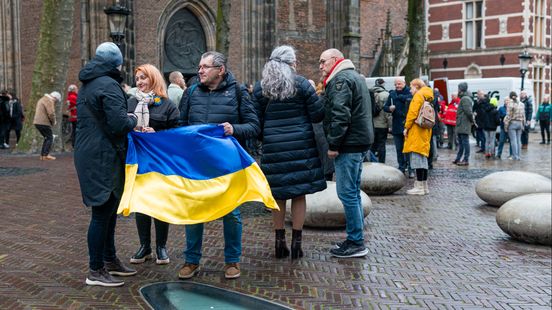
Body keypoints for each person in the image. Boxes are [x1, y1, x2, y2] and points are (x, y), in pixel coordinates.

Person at [178, 51, 260, 280]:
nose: (200, 70)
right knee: (194, 210)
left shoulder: (238, 91)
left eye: (205, 67)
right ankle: (191, 261)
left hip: (227, 165)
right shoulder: (191, 91)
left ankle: (232, 261)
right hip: (197, 163)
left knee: (231, 213)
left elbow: (254, 126)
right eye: (199, 66)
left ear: (220, 70)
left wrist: (234, 129)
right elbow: (181, 125)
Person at [252, 46, 326, 260]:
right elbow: (317, 115)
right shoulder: (301, 84)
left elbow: (256, 121)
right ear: (291, 63)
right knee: (299, 193)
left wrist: (266, 137)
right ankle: (297, 244)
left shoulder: (261, 87)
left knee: (277, 195)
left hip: (273, 147)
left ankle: (279, 243)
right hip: (301, 146)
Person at [74, 42, 138, 287]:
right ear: (116, 63)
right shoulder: (108, 84)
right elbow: (119, 124)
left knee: (109, 208)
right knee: (102, 212)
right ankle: (96, 270)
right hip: (103, 155)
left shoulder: (89, 82)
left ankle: (109, 260)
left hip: (91, 152)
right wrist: (133, 118)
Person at [318, 48, 373, 258]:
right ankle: (355, 238)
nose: (320, 66)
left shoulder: (340, 81)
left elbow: (340, 115)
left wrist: (333, 144)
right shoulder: (354, 77)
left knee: (347, 193)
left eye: (323, 62)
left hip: (349, 145)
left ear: (335, 60)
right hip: (357, 143)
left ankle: (356, 242)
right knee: (353, 193)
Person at [126, 64, 180, 266]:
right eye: (137, 78)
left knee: (159, 203)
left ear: (154, 79)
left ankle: (161, 247)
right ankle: (144, 247)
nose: (139, 82)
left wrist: (157, 135)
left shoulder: (167, 105)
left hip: (159, 161)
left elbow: (177, 133)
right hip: (137, 161)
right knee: (141, 204)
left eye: (143, 78)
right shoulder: (131, 103)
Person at [402, 79, 434, 195]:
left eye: (411, 88)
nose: (410, 90)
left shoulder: (418, 96)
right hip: (425, 131)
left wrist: (406, 127)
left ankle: (419, 187)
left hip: (416, 131)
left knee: (417, 159)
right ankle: (424, 186)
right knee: (423, 159)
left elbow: (412, 113)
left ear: (416, 86)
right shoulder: (428, 96)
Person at [383, 78, 412, 176]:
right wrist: (389, 108)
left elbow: (409, 99)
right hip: (396, 125)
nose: (397, 86)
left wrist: (399, 97)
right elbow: (385, 107)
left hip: (408, 125)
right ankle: (401, 167)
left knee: (408, 149)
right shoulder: (392, 94)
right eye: (396, 84)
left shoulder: (410, 92)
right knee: (399, 149)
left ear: (404, 83)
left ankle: (411, 168)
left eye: (399, 84)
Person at [33, 91, 60, 160]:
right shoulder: (49, 101)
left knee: (46, 137)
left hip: (37, 122)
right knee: (50, 137)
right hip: (43, 122)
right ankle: (45, 155)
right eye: (56, 100)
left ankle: (42, 155)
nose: (55, 102)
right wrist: (54, 122)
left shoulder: (42, 99)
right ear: (54, 97)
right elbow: (51, 113)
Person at [453, 82, 474, 166]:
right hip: (462, 124)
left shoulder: (465, 98)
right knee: (461, 143)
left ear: (461, 89)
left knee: (465, 143)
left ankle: (466, 160)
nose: (457, 90)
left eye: (459, 88)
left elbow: (468, 112)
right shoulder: (464, 98)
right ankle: (458, 159)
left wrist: (471, 121)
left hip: (464, 124)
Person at [369, 78, 390, 163]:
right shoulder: (386, 94)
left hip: (371, 124)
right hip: (382, 124)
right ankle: (381, 163)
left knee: (372, 145)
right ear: (383, 84)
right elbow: (387, 112)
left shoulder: (369, 93)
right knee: (382, 145)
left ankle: (371, 162)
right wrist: (389, 124)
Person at [504, 92, 526, 161]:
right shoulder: (522, 104)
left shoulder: (510, 104)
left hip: (513, 123)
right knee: (518, 140)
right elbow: (523, 115)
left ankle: (515, 156)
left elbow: (508, 116)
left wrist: (506, 125)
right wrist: (523, 124)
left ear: (510, 97)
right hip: (520, 123)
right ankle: (518, 156)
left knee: (513, 141)